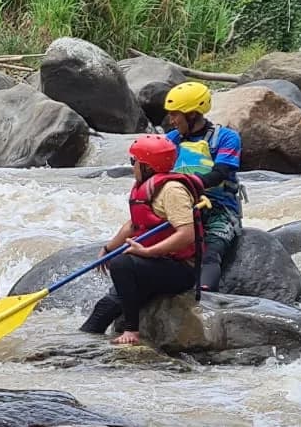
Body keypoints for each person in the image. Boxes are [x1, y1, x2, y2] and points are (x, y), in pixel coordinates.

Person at [80, 135, 203, 346]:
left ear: (146, 166)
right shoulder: (145, 187)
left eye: (133, 162)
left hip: (180, 270)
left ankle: (132, 331)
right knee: (103, 310)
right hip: (154, 265)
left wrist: (147, 252)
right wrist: (108, 248)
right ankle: (82, 351)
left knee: (121, 263)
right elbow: (133, 225)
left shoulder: (172, 191)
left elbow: (186, 234)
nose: (132, 166)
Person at [163, 81, 243, 291]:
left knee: (210, 253)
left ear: (192, 114)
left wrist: (186, 184)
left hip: (219, 209)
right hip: (181, 207)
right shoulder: (171, 140)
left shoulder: (226, 137)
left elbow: (220, 173)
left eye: (175, 114)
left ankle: (205, 298)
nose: (171, 120)